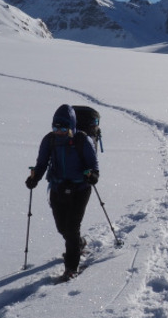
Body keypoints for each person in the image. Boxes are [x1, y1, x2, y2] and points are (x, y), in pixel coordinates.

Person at [25, 104, 100, 281]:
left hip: (80, 189)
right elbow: (42, 163)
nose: (58, 131)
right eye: (55, 127)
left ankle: (71, 267)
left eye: (63, 128)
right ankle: (79, 244)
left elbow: (93, 165)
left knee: (72, 227)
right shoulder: (49, 140)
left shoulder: (82, 140)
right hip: (57, 188)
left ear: (71, 126)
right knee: (62, 228)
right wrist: (34, 178)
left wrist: (93, 175)